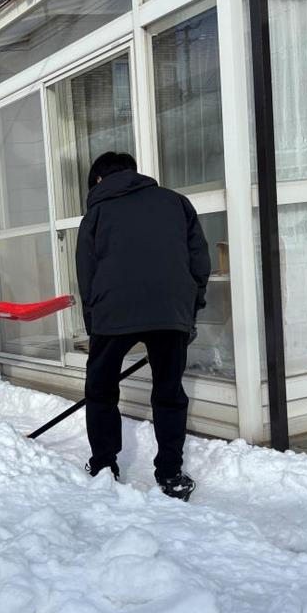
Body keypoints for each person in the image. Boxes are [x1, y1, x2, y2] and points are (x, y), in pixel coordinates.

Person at [76, 152, 210, 501]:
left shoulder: (97, 212)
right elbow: (199, 261)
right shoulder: (176, 202)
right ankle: (170, 474)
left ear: (100, 180)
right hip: (169, 312)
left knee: (101, 390)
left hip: (112, 313)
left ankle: (104, 464)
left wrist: (94, 324)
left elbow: (86, 273)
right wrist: (189, 311)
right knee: (168, 392)